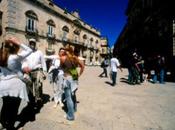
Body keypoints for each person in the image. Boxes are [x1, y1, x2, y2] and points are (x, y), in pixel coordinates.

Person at [0, 38, 30, 130]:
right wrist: (18, 42)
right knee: (14, 109)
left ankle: (2, 123)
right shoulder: (16, 57)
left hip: (3, 85)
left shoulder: (1, 56)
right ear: (15, 48)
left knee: (5, 106)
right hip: (16, 85)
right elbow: (29, 50)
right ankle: (10, 127)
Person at [59, 46, 84, 121]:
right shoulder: (76, 58)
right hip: (75, 78)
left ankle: (70, 115)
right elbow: (82, 66)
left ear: (67, 51)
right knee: (73, 94)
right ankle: (74, 109)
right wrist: (79, 74)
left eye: (64, 50)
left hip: (67, 78)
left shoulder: (62, 58)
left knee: (68, 97)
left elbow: (61, 67)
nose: (63, 51)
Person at [22, 38, 47, 108]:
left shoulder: (39, 52)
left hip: (38, 71)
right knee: (28, 87)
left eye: (33, 43)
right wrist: (24, 68)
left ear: (35, 44)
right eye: (31, 43)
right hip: (28, 72)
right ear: (29, 44)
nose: (32, 44)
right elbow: (23, 62)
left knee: (38, 87)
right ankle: (30, 101)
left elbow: (43, 63)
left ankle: (38, 101)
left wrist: (44, 72)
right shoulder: (25, 52)